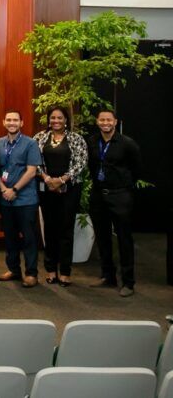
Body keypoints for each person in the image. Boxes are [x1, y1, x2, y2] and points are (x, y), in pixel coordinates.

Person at [87, 108, 141, 297]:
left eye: (109, 120)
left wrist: (123, 185)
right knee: (102, 238)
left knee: (124, 239)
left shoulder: (127, 144)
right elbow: (91, 165)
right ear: (97, 122)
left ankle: (128, 282)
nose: (105, 123)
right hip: (98, 195)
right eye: (102, 120)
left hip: (120, 195)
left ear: (115, 122)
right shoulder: (92, 142)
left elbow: (136, 170)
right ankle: (108, 276)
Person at [33, 106, 88, 287]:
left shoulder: (76, 139)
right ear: (49, 120)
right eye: (53, 118)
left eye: (60, 118)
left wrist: (62, 180)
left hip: (70, 189)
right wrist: (47, 179)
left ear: (66, 120)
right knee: (49, 229)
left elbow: (81, 162)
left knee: (66, 229)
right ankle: (50, 270)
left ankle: (65, 272)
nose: (56, 121)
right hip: (46, 187)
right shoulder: (39, 137)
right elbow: (34, 161)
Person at [0, 110, 44, 288]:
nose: (12, 123)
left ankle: (31, 273)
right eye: (9, 120)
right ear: (3, 122)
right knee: (10, 237)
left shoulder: (30, 143)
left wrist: (14, 189)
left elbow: (31, 171)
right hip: (6, 199)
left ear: (21, 123)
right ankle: (13, 270)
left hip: (25, 199)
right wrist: (4, 190)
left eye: (15, 120)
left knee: (29, 237)